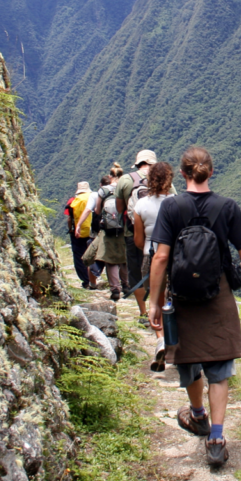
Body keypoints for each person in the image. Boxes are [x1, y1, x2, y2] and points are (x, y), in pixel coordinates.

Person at [148, 146, 241, 467]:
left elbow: (161, 257)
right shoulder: (228, 208)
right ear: (211, 173)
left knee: (189, 359)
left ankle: (197, 415)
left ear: (182, 174)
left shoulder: (171, 207)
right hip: (217, 293)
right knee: (219, 368)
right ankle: (218, 438)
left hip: (180, 294)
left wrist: (154, 302)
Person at [133, 161, 175, 367]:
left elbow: (138, 239)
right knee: (173, 298)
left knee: (156, 301)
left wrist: (148, 247)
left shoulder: (141, 205)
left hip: (151, 255)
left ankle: (160, 339)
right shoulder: (177, 202)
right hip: (175, 256)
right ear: (170, 179)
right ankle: (175, 340)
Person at [116, 150, 159, 322]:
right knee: (159, 271)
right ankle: (159, 310)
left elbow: (120, 209)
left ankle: (143, 312)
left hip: (132, 233)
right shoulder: (162, 178)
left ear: (138, 163)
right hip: (159, 236)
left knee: (136, 273)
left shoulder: (126, 180)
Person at [83, 175, 128, 299]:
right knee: (124, 259)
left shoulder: (103, 192)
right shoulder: (125, 189)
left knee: (110, 261)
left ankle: (115, 289)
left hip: (107, 231)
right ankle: (126, 285)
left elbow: (97, 211)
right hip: (123, 229)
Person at [64, 181, 95, 289]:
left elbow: (69, 218)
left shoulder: (73, 201)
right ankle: (93, 279)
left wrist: (71, 229)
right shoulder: (94, 197)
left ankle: (86, 281)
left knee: (79, 257)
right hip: (93, 231)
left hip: (79, 232)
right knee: (93, 255)